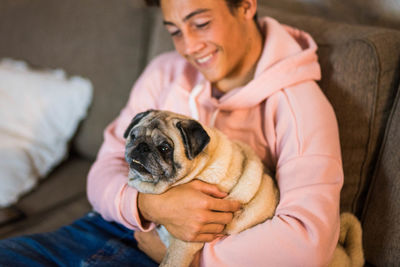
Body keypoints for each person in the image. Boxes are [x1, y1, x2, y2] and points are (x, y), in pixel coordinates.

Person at [0, 0, 343, 266]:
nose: (189, 46)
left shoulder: (300, 108)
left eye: (201, 23)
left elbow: (309, 244)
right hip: (111, 224)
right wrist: (150, 205)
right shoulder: (164, 72)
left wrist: (184, 255)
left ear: (246, 5)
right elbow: (103, 170)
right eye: (175, 31)